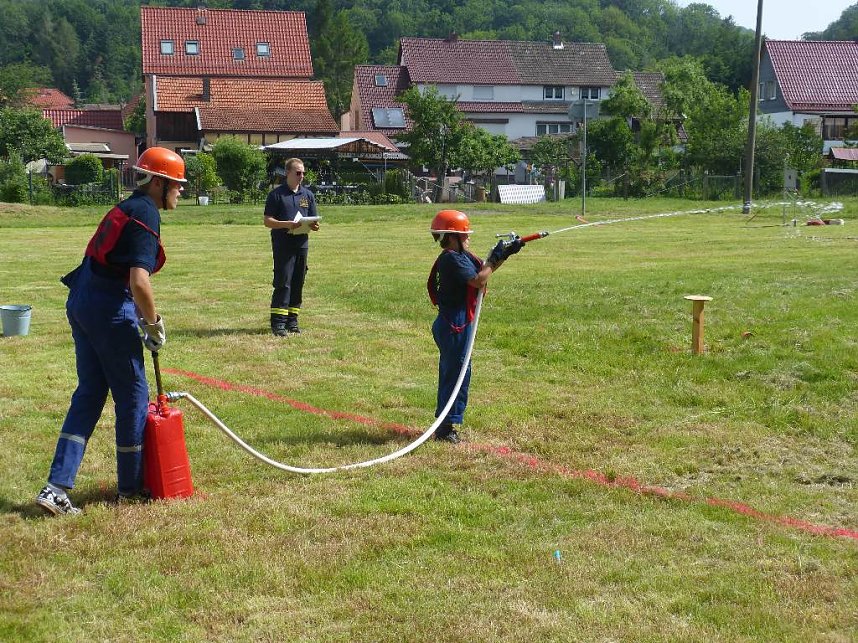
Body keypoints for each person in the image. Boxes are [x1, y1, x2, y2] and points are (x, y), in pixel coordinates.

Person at [35, 147, 186, 516]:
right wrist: (153, 324)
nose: (180, 191)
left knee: (89, 393)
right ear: (160, 183)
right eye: (177, 185)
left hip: (83, 299)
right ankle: (130, 490)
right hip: (106, 308)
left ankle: (56, 487)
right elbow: (139, 281)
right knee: (134, 398)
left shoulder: (129, 205)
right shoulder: (147, 215)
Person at [427, 210, 523, 443]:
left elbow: (482, 273)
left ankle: (447, 422)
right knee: (456, 373)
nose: (468, 238)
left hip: (458, 322)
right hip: (453, 324)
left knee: (459, 371)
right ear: (452, 237)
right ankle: (446, 427)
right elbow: (479, 280)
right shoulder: (451, 259)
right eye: (465, 234)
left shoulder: (461, 256)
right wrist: (492, 260)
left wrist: (504, 255)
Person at [263, 157, 320, 336]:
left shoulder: (307, 195)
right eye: (298, 173)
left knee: (298, 282)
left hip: (301, 244)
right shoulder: (276, 194)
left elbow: (313, 219)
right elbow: (267, 221)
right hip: (283, 245)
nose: (301, 176)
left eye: (303, 173)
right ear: (287, 173)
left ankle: (292, 322)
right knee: (283, 282)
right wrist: (287, 224)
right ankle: (278, 324)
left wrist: (314, 225)